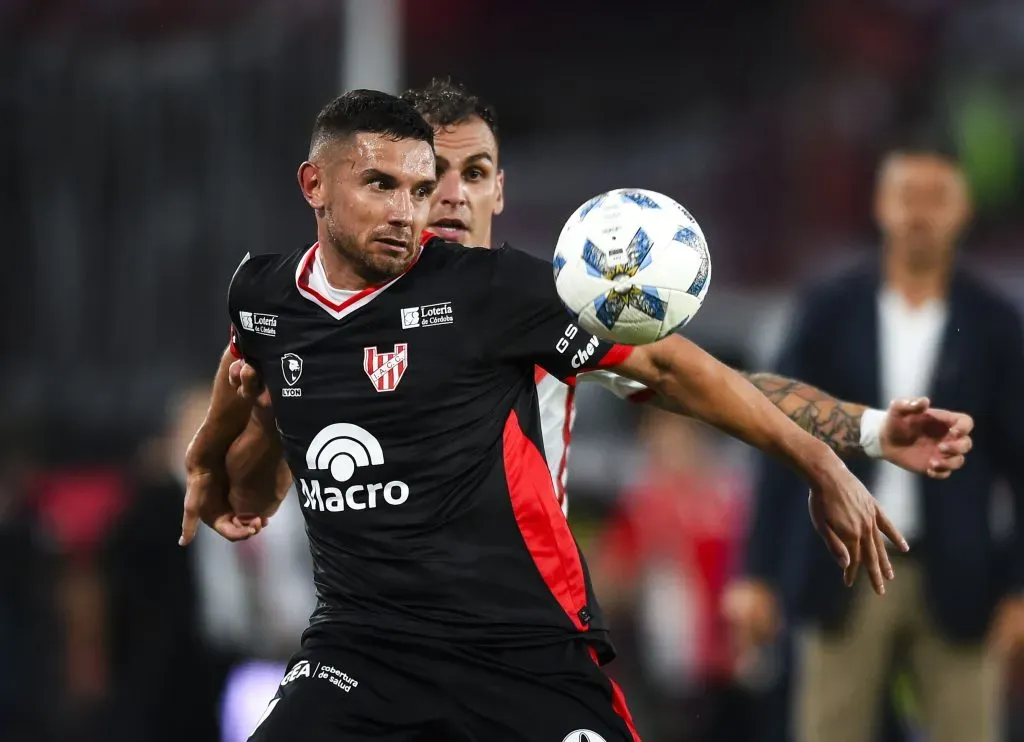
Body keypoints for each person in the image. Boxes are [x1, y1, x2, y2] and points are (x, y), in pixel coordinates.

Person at [179, 89, 951, 741]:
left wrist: (859, 437)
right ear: (319, 184)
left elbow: (683, 370)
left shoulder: (521, 296)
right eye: (420, 178)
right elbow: (260, 388)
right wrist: (210, 455)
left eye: (462, 176)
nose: (437, 199)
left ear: (498, 191)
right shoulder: (274, 297)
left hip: (523, 645)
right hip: (366, 647)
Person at [725, 141, 1024, 742]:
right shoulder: (829, 310)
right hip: (843, 562)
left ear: (963, 209)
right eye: (906, 196)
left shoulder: (995, 323)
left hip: (959, 574)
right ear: (880, 205)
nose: (919, 213)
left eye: (936, 198)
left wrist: (1020, 588)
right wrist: (755, 572)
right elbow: (779, 434)